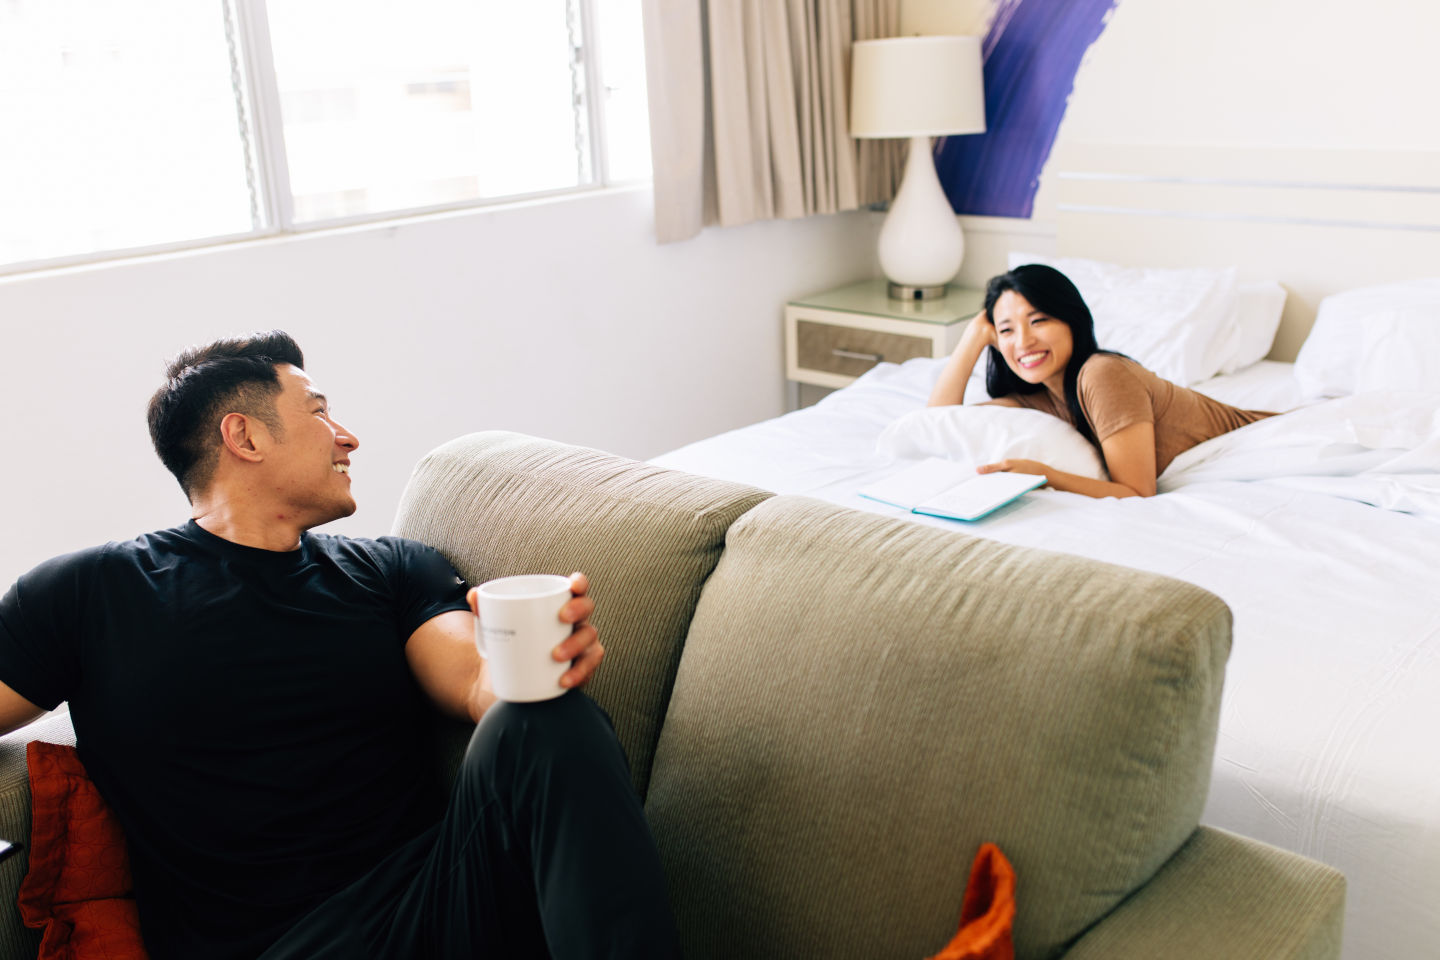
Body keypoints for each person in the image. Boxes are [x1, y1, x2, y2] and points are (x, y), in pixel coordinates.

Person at [0, 331, 681, 960]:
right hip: (277, 948)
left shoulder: (394, 569)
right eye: (320, 412)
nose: (348, 438)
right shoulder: (87, 593)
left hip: (432, 908)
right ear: (244, 435)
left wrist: (533, 670)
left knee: (548, 718)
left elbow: (476, 683)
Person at [927, 264, 1275, 498]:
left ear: (1071, 320)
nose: (1023, 342)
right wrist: (973, 337)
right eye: (1006, 330)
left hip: (1268, 442)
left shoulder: (1102, 373)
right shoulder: (1037, 396)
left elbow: (1137, 492)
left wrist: (1042, 475)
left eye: (1039, 320)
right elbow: (937, 422)